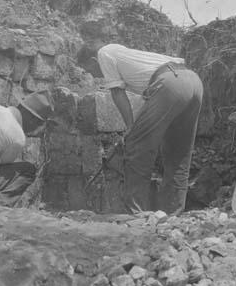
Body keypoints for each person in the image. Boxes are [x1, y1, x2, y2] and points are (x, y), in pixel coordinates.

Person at [77, 42, 203, 214]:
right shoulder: (121, 53)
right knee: (179, 153)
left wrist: (130, 129)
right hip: (193, 81)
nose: (92, 74)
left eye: (89, 69)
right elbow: (149, 102)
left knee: (137, 147)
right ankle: (172, 214)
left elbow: (117, 93)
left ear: (93, 59)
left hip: (169, 83)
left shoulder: (103, 54)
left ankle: (136, 214)